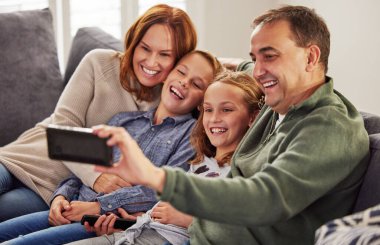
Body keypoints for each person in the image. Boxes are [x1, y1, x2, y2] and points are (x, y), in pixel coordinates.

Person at [89, 5, 370, 244]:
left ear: (310, 57)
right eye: (254, 57)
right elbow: (239, 70)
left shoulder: (329, 127)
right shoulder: (279, 98)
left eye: (270, 56)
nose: (258, 71)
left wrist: (155, 176)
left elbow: (266, 198)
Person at [0, 50, 223, 245]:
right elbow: (85, 166)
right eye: (181, 72)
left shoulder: (192, 136)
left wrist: (98, 207)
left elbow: (162, 190)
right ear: (167, 76)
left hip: (100, 219)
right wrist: (60, 197)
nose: (184, 82)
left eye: (196, 84)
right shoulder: (123, 121)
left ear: (203, 100)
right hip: (71, 205)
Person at [0, 4, 197, 221]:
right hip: (25, 158)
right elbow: (63, 127)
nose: (151, 62)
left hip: (53, 188)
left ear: (179, 59)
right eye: (145, 48)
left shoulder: (173, 101)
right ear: (133, 43)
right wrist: (95, 177)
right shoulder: (99, 62)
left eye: (165, 54)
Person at [66, 71, 264, 245]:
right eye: (209, 109)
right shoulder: (201, 160)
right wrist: (136, 221)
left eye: (227, 110)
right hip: (137, 229)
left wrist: (186, 219)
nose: (214, 118)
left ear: (252, 117)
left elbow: (242, 230)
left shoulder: (245, 170)